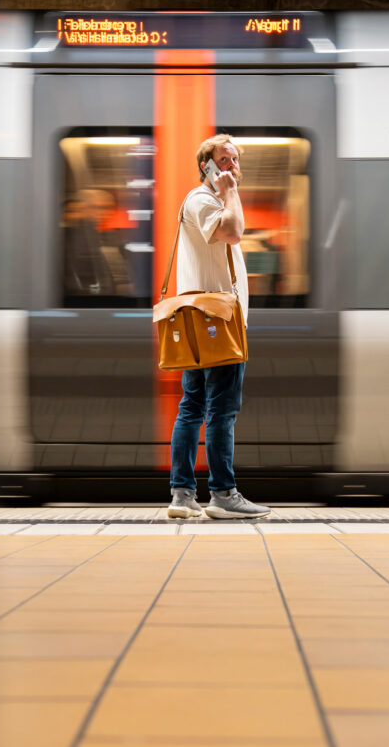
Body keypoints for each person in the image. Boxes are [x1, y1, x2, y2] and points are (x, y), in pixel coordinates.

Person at [167, 134, 271, 520]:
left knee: (193, 405)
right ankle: (223, 494)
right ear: (206, 166)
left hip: (207, 317)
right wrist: (230, 192)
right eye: (224, 160)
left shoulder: (209, 201)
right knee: (221, 409)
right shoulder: (203, 200)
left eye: (235, 160)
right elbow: (233, 232)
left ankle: (182, 496)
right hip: (218, 320)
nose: (232, 166)